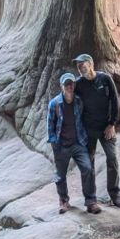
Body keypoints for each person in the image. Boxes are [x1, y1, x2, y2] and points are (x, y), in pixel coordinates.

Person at [73, 53, 120, 207]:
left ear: (91, 64)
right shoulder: (78, 84)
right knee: (88, 163)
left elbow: (114, 101)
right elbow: (69, 102)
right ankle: (90, 199)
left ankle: (115, 195)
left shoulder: (105, 79)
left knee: (112, 158)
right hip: (88, 129)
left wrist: (112, 124)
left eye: (82, 64)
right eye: (78, 65)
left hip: (106, 127)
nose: (80, 67)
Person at [46, 72, 101, 214]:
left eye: (71, 84)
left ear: (74, 85)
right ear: (61, 86)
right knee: (60, 176)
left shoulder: (78, 101)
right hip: (62, 145)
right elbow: (50, 125)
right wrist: (54, 144)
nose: (69, 87)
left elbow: (84, 118)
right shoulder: (54, 104)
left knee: (87, 168)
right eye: (66, 84)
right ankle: (64, 201)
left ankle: (91, 202)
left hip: (78, 143)